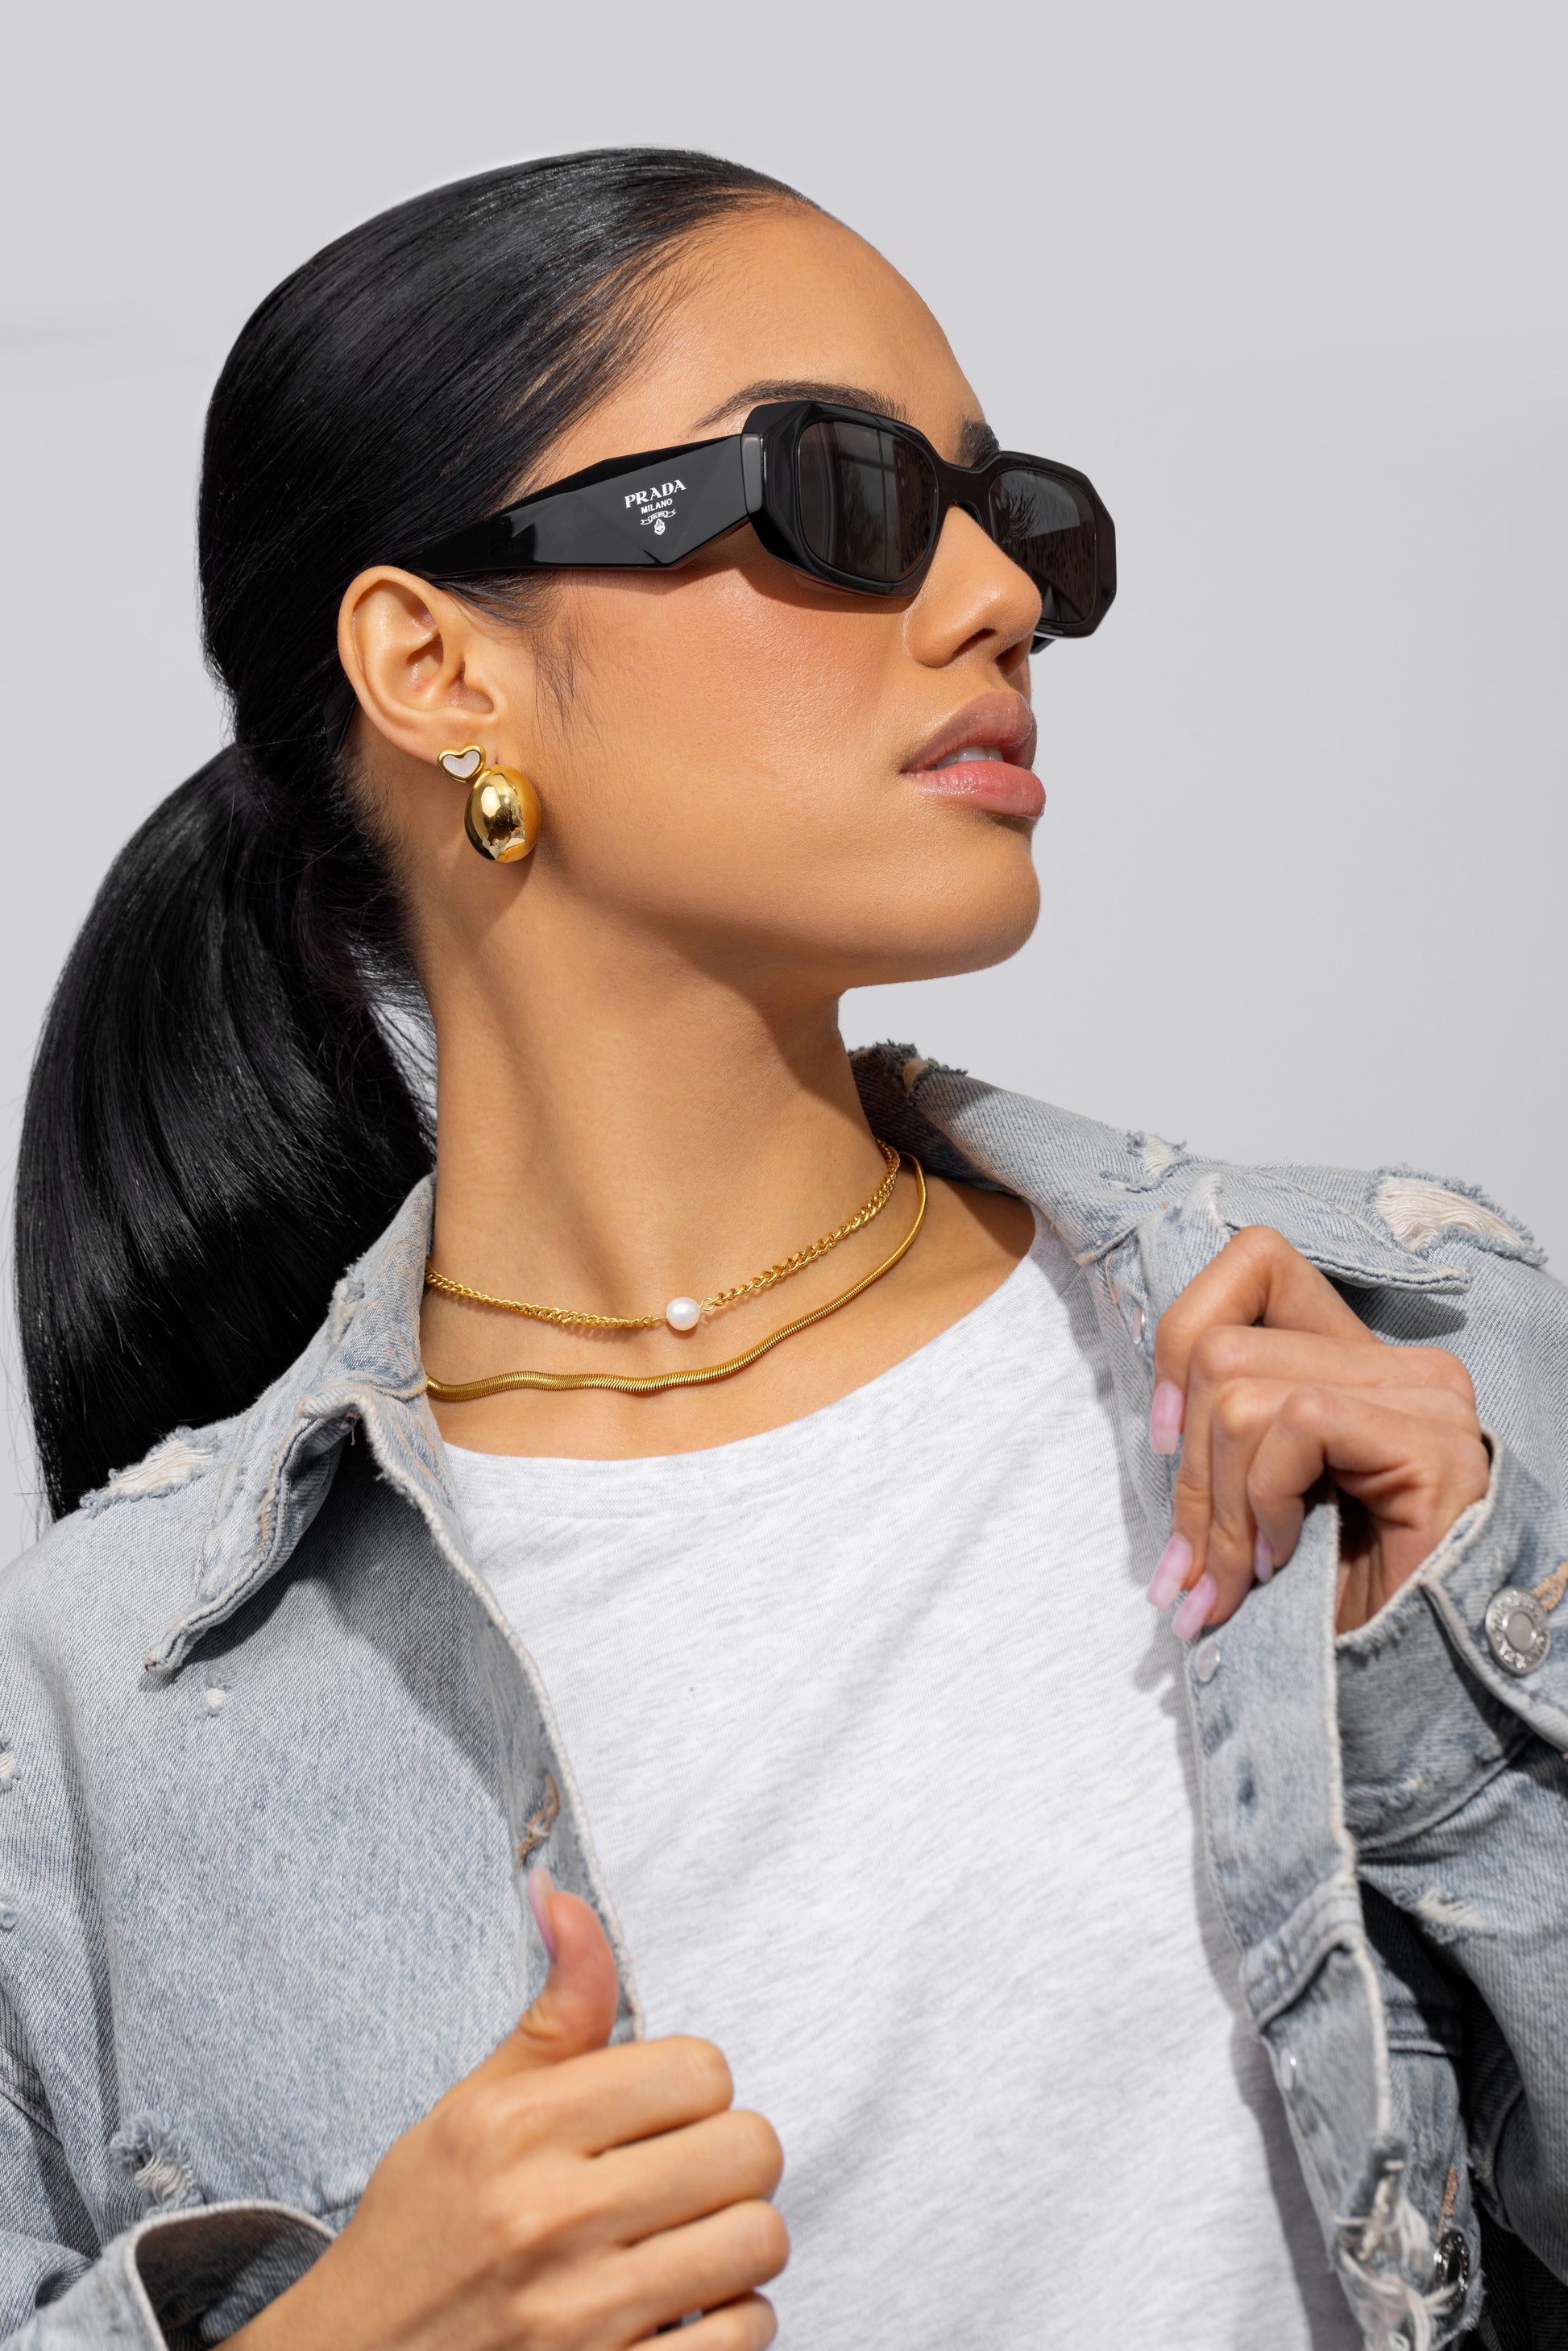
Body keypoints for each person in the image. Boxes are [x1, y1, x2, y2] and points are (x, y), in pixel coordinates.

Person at [2, 147, 1564, 2351]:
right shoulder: (99, 1702)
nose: (998, 597)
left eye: (1016, 516)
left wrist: (1459, 1676)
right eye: (837, 493)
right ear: (435, 665)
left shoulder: (1394, 1358)